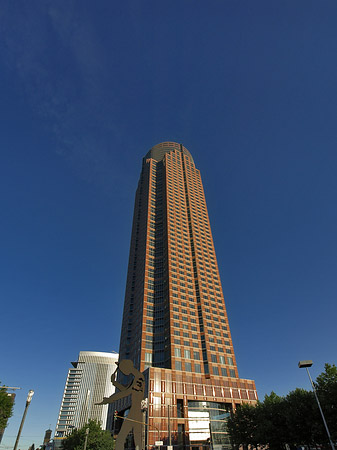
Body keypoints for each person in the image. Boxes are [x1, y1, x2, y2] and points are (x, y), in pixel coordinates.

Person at [97, 359, 145, 450]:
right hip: (134, 411)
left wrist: (110, 399)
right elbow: (125, 390)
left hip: (135, 411)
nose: (123, 372)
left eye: (123, 370)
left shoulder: (139, 377)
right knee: (136, 439)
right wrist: (114, 383)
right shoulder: (136, 378)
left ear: (127, 367)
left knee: (122, 439)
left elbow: (126, 392)